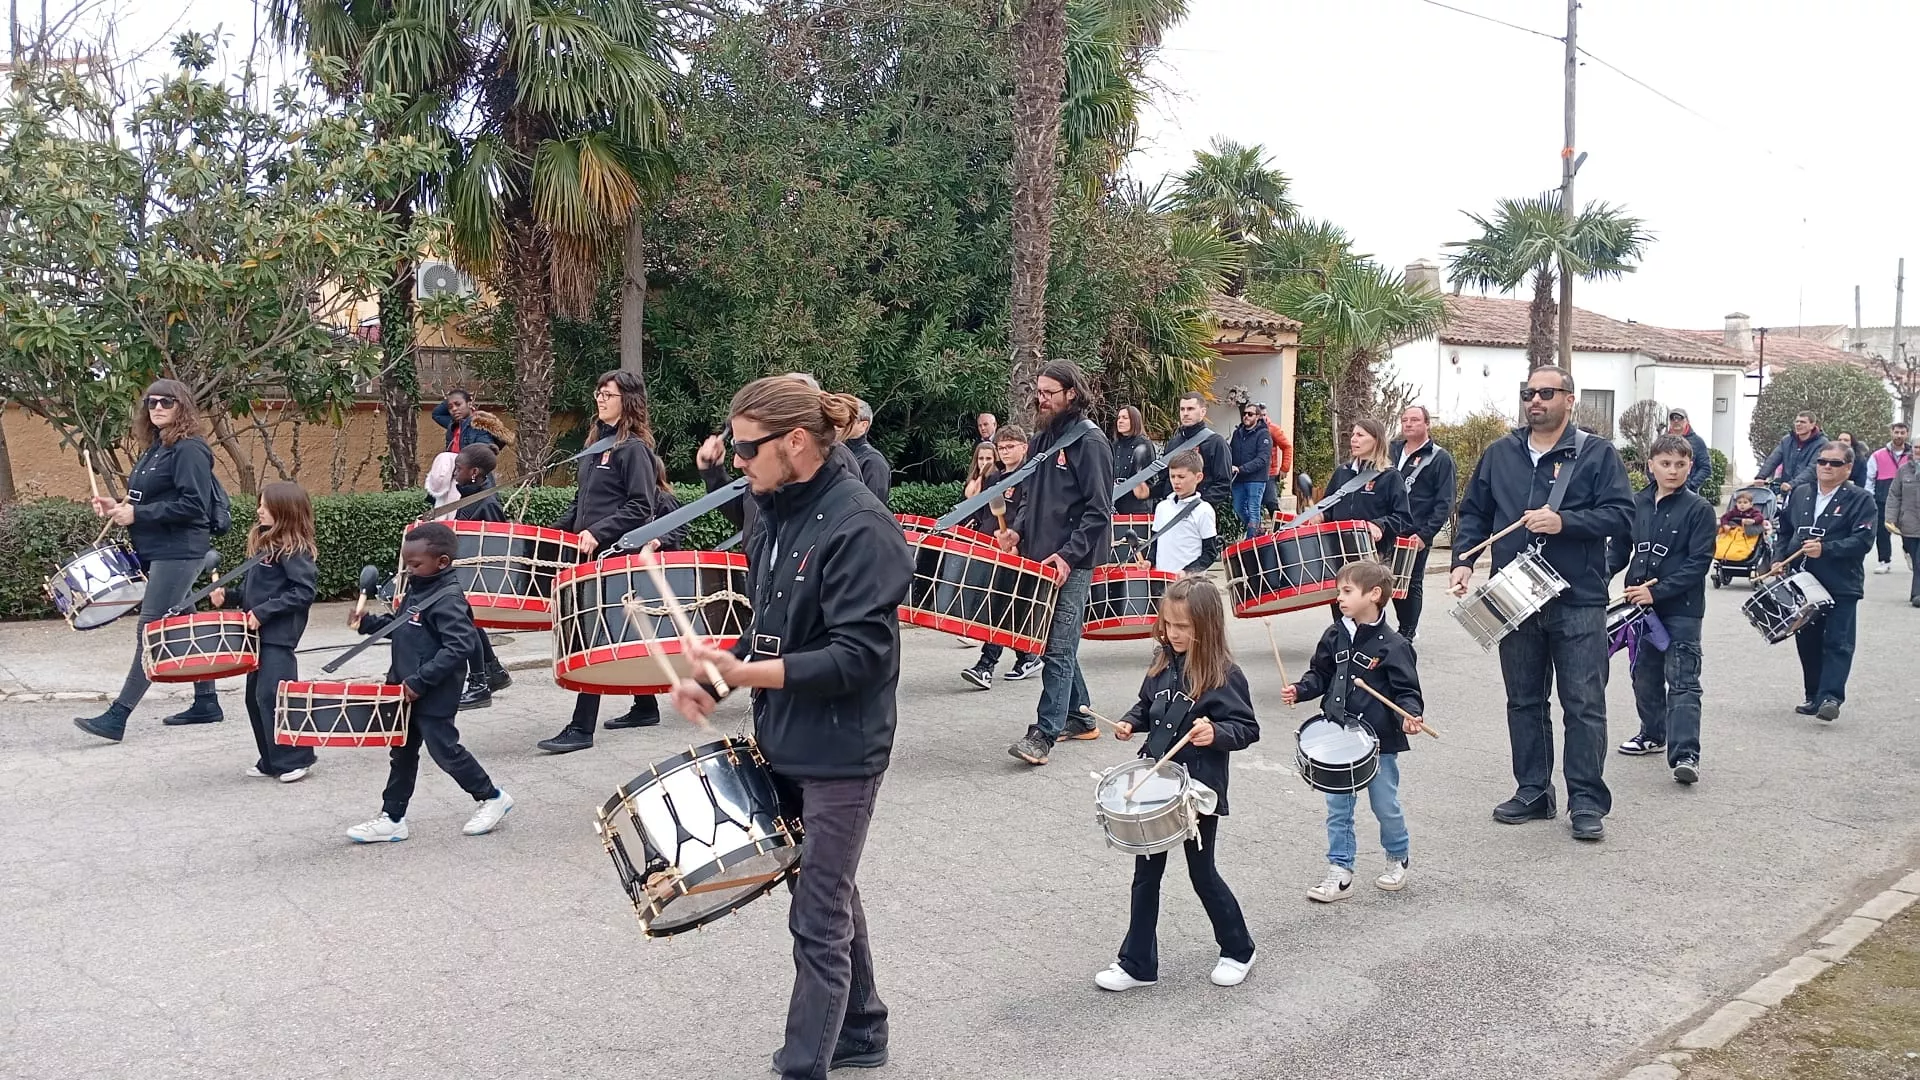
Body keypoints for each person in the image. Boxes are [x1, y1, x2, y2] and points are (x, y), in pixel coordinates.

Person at [667, 376, 913, 1080]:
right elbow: (769, 631)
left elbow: (857, 658)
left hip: (843, 746)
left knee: (817, 914)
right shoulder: (771, 508)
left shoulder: (862, 527)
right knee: (827, 887)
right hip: (786, 735)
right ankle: (863, 1028)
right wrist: (717, 678)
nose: (735, 459)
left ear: (795, 442)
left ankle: (802, 1066)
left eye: (746, 448)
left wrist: (745, 678)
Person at [1448, 366, 1633, 843]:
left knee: (1584, 704)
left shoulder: (1597, 454)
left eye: (1546, 393)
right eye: (1529, 393)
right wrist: (1463, 561)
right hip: (1513, 591)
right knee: (1523, 700)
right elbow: (1474, 511)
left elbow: (1621, 514)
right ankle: (1533, 791)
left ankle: (1587, 801)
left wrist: (1564, 522)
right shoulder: (1500, 453)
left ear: (1569, 400)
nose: (1535, 401)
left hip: (1578, 596)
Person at [1092, 576, 1259, 993]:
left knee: (1202, 874)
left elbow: (1246, 727)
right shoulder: (1162, 661)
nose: (1173, 633)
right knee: (1145, 876)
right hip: (1156, 783)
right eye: (1168, 624)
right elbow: (1149, 705)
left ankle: (1239, 949)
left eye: (1183, 626)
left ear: (1206, 625)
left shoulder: (1223, 674)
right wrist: (1132, 721)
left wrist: (1215, 733)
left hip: (1197, 791)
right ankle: (1138, 964)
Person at [75, 380, 226, 741]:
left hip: (181, 549)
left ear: (182, 406)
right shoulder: (157, 446)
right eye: (151, 401)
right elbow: (144, 498)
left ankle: (118, 715)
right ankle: (207, 702)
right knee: (185, 623)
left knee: (151, 628)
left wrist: (139, 515)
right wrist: (120, 507)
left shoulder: (189, 449)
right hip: (159, 550)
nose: (157, 407)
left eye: (166, 402)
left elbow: (194, 505)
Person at [345, 522, 513, 843]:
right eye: (406, 563)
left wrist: (420, 681)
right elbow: (400, 625)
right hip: (406, 688)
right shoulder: (419, 588)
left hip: (433, 691)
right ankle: (393, 817)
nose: (408, 570)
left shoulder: (449, 599)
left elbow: (460, 646)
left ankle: (492, 797)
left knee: (445, 750)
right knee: (403, 753)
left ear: (442, 562)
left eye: (415, 564)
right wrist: (367, 623)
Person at [538, 370, 667, 753]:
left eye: (608, 394)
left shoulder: (635, 450)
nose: (600, 399)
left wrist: (599, 532)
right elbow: (582, 503)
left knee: (592, 636)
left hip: (615, 554)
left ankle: (581, 729)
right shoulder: (596, 446)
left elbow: (641, 506)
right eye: (599, 393)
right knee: (615, 633)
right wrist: (553, 534)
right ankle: (646, 705)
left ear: (628, 400)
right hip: (588, 554)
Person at [1283, 561, 1425, 901]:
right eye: (1338, 591)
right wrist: (1300, 690)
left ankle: (1397, 855)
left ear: (1374, 595)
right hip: (1337, 735)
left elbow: (1407, 692)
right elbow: (1319, 674)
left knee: (1384, 804)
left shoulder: (1394, 645)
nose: (1339, 597)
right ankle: (1340, 871)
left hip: (1378, 741)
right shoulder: (1334, 635)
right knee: (1338, 808)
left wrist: (1411, 714)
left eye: (1347, 591)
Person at [1000, 360, 1114, 764]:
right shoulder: (1041, 439)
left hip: (1074, 560)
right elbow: (1031, 497)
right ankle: (1081, 719)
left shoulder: (1091, 443)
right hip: (1040, 556)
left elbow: (1099, 511)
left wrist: (1068, 556)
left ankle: (1044, 734)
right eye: (1039, 391)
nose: (1041, 398)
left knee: (1060, 645)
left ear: (1073, 394)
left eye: (1050, 392)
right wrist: (1016, 530)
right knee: (1055, 643)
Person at [1609, 435, 1716, 784]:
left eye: (1681, 464)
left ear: (1690, 467)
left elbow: (1699, 563)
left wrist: (1659, 593)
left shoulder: (1699, 509)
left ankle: (1686, 754)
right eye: (1666, 463)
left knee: (1683, 679)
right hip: (1637, 608)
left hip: (1681, 610)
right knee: (1644, 675)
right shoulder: (1634, 503)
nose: (1672, 471)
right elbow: (1618, 550)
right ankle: (1652, 733)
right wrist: (1595, 578)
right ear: (1651, 465)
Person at [211, 481, 320, 783]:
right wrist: (230, 597)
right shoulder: (265, 544)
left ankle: (297, 759)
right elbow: (254, 591)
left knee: (276, 696)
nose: (258, 510)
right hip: (257, 634)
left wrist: (263, 612)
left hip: (279, 635)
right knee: (255, 698)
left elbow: (303, 592)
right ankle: (271, 759)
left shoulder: (294, 549)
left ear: (284, 510)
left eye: (265, 505)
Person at [1779, 440, 1877, 721]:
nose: (1826, 467)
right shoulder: (1800, 494)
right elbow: (1784, 529)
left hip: (1841, 582)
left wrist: (1827, 549)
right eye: (1822, 462)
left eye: (1834, 463)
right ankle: (1814, 695)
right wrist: (1778, 557)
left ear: (1848, 468)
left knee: (1838, 641)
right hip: (1803, 581)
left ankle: (1831, 696)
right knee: (1807, 639)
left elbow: (1862, 540)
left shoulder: (1861, 499)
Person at [1304, 420, 1412, 619]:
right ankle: (1343, 643)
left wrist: (1380, 525)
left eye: (1360, 435)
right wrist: (1321, 516)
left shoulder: (1389, 477)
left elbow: (1403, 518)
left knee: (1365, 608)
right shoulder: (1342, 473)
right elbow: (1330, 508)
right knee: (1341, 604)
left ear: (1376, 440)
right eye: (1353, 435)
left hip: (1372, 554)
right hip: (1338, 551)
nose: (1354, 439)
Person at [963, 427, 1041, 688]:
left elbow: (1027, 512)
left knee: (999, 604)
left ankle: (986, 665)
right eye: (1002, 447)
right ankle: (1027, 656)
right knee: (1007, 606)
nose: (1006, 451)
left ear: (1024, 447)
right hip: (994, 547)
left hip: (1018, 548)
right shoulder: (995, 478)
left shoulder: (1030, 476)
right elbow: (987, 514)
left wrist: (1017, 539)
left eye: (1011, 446)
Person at [448, 444, 514, 710]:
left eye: (458, 468)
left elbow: (497, 543)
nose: (454, 473)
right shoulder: (472, 497)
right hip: (465, 573)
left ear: (474, 472)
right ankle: (493, 672)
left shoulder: (486, 502)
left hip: (475, 576)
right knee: (470, 625)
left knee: (467, 625)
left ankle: (479, 684)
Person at [1388, 406, 1457, 641]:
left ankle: (1407, 630)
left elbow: (1444, 502)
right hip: (1387, 528)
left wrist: (1425, 535)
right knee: (1384, 581)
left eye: (1415, 420)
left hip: (1415, 532)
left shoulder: (1439, 458)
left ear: (1427, 424)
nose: (1408, 424)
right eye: (1405, 420)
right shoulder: (1391, 451)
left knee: (1409, 582)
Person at [1144, 451, 1219, 574]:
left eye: (1181, 477)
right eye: (1172, 476)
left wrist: (1187, 572)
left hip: (1189, 584)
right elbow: (1156, 543)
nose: (1176, 481)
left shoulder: (1204, 510)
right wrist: (1150, 561)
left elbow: (1210, 553)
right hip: (1162, 578)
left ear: (1198, 477)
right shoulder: (1162, 507)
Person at [1172, 391, 1233, 505]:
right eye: (1182, 409)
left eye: (1190, 409)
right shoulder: (1174, 442)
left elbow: (1223, 484)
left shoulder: (1216, 442)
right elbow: (1166, 480)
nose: (1185, 413)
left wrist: (1198, 504)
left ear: (1203, 412)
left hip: (1201, 511)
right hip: (1174, 508)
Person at [1869, 422, 1912, 574]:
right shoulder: (1878, 455)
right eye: (1896, 432)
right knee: (1882, 531)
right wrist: (1870, 497)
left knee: (1910, 531)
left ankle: (1910, 554)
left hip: (1908, 501)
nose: (1899, 435)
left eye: (1902, 432)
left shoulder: (1913, 455)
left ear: (1907, 434)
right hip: (1883, 499)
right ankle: (1884, 560)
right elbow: (1870, 478)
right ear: (1891, 433)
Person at [1228, 403, 1273, 536]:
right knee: (1238, 508)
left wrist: (1241, 469)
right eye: (1244, 413)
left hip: (1256, 479)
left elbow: (1262, 459)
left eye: (1250, 414)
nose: (1246, 416)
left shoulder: (1264, 435)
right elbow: (1231, 452)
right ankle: (1257, 531)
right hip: (1239, 478)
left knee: (1254, 510)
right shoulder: (1237, 433)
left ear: (1258, 417)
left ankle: (1250, 544)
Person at [1885, 442, 1920, 606]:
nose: (1918, 450)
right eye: (1917, 447)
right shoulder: (1904, 470)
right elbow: (1894, 495)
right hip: (1909, 524)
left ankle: (1916, 594)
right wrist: (1890, 518)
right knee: (1915, 558)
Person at [1757, 412, 1829, 491]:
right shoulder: (1787, 440)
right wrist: (1760, 477)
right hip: (1786, 487)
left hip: (1808, 490)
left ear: (1812, 425)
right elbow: (1773, 459)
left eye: (1803, 422)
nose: (1798, 424)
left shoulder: (1822, 443)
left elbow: (1813, 468)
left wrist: (1792, 484)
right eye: (1797, 421)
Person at [430, 388, 512, 455]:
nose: (454, 409)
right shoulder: (453, 425)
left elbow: (485, 453)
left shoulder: (478, 425)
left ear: (469, 404)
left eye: (458, 404)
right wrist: (453, 396)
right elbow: (437, 414)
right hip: (455, 472)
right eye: (450, 407)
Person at [1111, 405, 1160, 515]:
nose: (1120, 421)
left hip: (1137, 504)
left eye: (1125, 418)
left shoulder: (1144, 444)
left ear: (1134, 420)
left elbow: (1150, 478)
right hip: (1117, 500)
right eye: (1119, 418)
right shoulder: (1115, 445)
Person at [845, 398, 892, 502]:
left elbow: (873, 508)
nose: (839, 422)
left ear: (863, 425)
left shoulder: (874, 461)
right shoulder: (834, 453)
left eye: (848, 418)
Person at [1258, 403, 1292, 518]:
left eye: (1264, 415)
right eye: (1260, 415)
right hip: (1254, 472)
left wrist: (1285, 468)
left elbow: (1287, 446)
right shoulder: (1249, 429)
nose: (1262, 418)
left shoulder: (1273, 429)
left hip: (1269, 473)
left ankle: (1280, 530)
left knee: (1272, 503)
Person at [1666, 410, 1711, 493]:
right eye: (1672, 418)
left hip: (1688, 494)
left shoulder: (1697, 442)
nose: (1676, 421)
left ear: (1687, 421)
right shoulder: (1662, 442)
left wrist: (1691, 485)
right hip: (1665, 492)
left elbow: (1705, 468)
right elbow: (1653, 464)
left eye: (1679, 418)